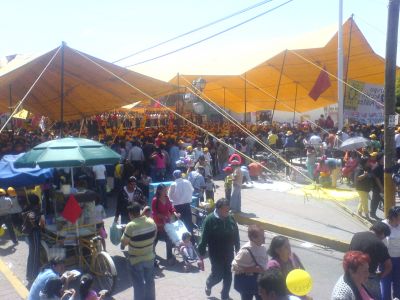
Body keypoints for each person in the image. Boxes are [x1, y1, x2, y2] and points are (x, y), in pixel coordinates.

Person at [198, 198, 240, 300]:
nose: (228, 212)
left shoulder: (231, 218)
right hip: (216, 254)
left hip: (229, 253)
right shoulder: (209, 220)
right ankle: (209, 283)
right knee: (218, 275)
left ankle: (224, 295)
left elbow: (236, 234)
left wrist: (238, 249)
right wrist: (201, 254)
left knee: (228, 275)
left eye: (228, 209)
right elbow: (204, 237)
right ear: (218, 209)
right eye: (225, 210)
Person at [121, 203, 157, 300]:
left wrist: (124, 232)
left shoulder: (130, 226)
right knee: (150, 282)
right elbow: (154, 236)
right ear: (140, 211)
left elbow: (124, 242)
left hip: (135, 259)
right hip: (149, 257)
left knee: (138, 284)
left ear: (130, 214)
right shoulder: (151, 221)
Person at [349, 221, 392, 300]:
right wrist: (379, 276)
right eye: (384, 236)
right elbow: (388, 266)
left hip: (351, 273)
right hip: (368, 277)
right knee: (374, 297)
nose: (384, 238)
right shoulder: (379, 244)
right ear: (382, 233)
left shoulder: (356, 235)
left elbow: (349, 254)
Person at [232, 225, 268, 300]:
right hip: (248, 283)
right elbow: (234, 267)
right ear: (253, 238)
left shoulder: (262, 247)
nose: (264, 237)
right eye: (261, 236)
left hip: (261, 283)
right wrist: (252, 269)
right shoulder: (245, 251)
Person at [151, 184, 180, 265]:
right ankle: (151, 253)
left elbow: (171, 208)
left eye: (166, 190)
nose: (166, 192)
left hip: (167, 223)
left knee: (168, 239)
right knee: (155, 239)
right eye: (164, 190)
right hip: (158, 223)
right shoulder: (155, 200)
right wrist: (163, 216)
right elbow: (154, 212)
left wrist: (175, 213)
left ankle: (169, 257)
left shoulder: (167, 199)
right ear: (159, 191)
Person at [168, 170, 195, 241]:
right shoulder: (187, 182)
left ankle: (181, 240)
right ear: (181, 175)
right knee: (188, 223)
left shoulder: (173, 184)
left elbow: (169, 197)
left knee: (179, 224)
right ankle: (191, 240)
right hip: (187, 206)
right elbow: (192, 190)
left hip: (177, 207)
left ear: (174, 176)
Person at [381, 206, 400, 299]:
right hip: (385, 259)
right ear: (392, 217)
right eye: (398, 218)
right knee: (385, 283)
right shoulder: (383, 225)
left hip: (398, 258)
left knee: (398, 282)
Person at [24, 193, 44, 283]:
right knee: (35, 255)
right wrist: (40, 219)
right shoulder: (33, 211)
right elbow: (35, 222)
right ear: (37, 202)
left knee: (32, 254)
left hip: (30, 234)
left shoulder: (28, 208)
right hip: (34, 233)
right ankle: (33, 276)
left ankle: (29, 275)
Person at [371, 152, 384, 219]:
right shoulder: (376, 167)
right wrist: (381, 188)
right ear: (379, 159)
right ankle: (372, 214)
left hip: (383, 187)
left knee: (384, 201)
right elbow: (377, 179)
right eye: (383, 157)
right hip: (377, 187)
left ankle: (388, 216)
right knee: (375, 201)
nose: (384, 158)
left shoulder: (384, 166)